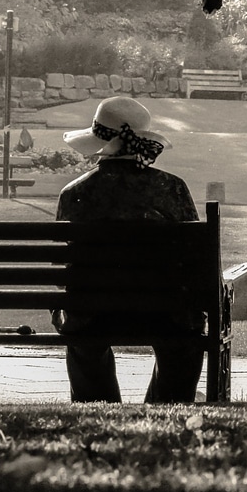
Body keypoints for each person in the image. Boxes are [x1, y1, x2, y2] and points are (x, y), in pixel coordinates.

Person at [53, 96, 205, 403]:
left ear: (99, 140)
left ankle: (97, 406)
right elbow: (194, 258)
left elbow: (63, 266)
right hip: (166, 316)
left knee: (85, 341)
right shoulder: (173, 189)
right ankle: (165, 408)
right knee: (182, 344)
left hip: (92, 316)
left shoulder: (75, 193)